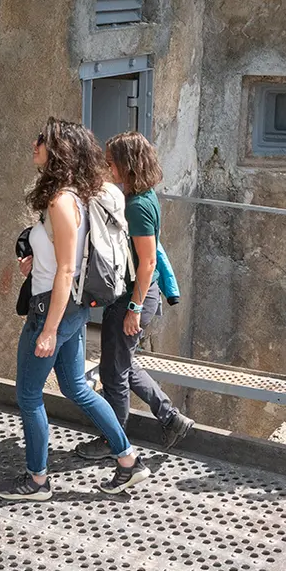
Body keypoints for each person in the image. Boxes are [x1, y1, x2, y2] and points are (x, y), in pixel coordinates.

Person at [0, 119, 151, 500]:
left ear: (59, 151)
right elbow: (65, 258)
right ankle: (128, 461)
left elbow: (67, 268)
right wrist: (35, 261)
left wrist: (48, 330)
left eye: (42, 141)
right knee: (76, 386)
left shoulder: (62, 200)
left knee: (29, 395)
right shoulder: (76, 196)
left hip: (53, 309)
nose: (34, 144)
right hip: (71, 308)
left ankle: (36, 481)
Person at [77, 132, 193, 458]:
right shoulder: (140, 196)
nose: (108, 167)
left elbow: (148, 261)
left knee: (114, 374)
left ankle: (113, 441)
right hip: (133, 294)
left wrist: (134, 308)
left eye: (112, 162)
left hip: (133, 296)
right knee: (122, 366)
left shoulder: (140, 206)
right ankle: (171, 418)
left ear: (127, 165)